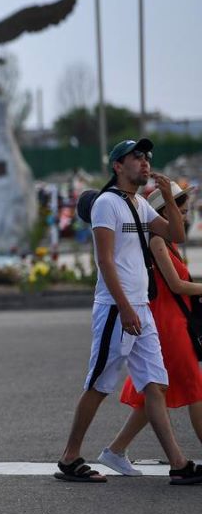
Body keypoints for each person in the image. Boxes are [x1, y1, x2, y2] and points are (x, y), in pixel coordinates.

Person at [54, 138, 202, 485]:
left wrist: (167, 196)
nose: (145, 162)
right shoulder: (108, 203)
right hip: (116, 308)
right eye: (136, 157)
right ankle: (70, 457)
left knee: (156, 384)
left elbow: (175, 233)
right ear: (118, 166)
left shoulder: (138, 203)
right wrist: (124, 307)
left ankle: (179, 464)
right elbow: (105, 260)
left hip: (140, 307)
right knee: (100, 383)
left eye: (147, 156)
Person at [97, 182, 202, 476]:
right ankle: (117, 452)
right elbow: (176, 285)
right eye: (178, 205)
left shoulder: (167, 242)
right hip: (168, 322)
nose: (182, 211)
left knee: (152, 393)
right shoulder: (157, 241)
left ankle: (115, 450)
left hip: (170, 320)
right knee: (194, 388)